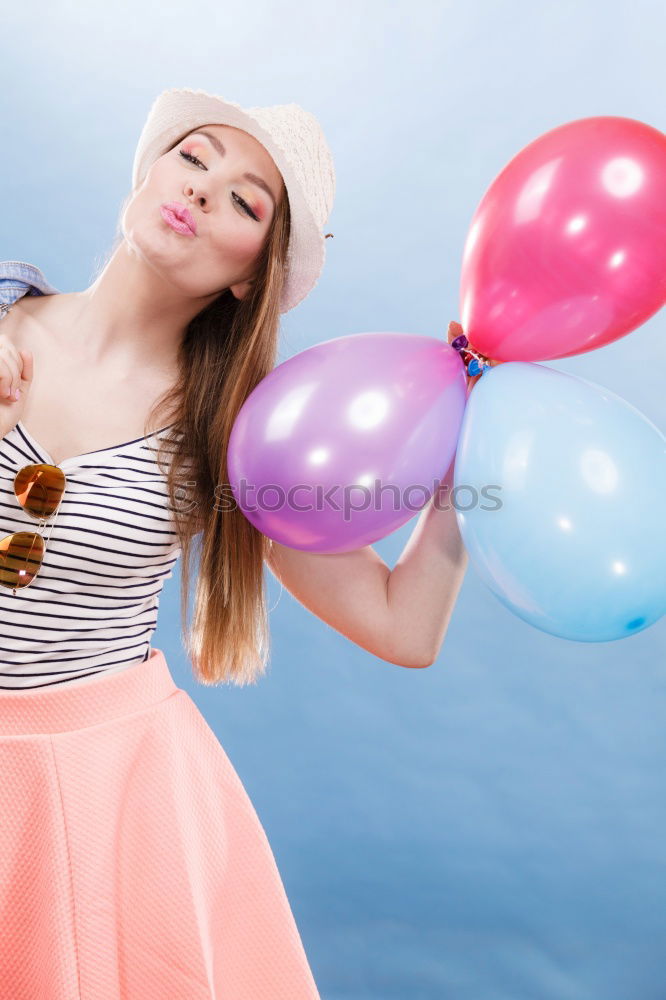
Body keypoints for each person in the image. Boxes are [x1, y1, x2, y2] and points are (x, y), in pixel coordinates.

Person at [0, 86, 472, 998]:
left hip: (91, 796)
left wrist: (469, 453)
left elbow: (402, 627)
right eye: (195, 154)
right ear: (149, 171)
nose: (207, 186)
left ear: (253, 273)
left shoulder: (237, 438)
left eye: (248, 200)